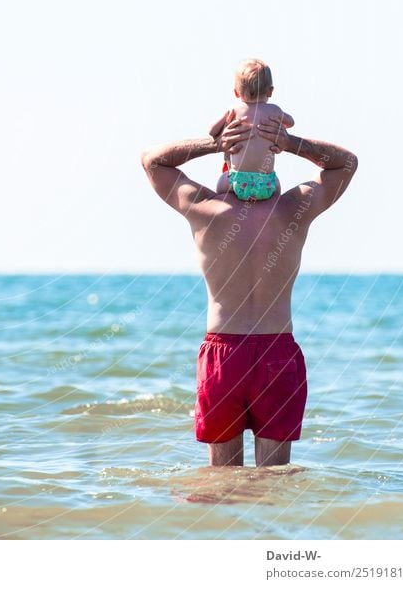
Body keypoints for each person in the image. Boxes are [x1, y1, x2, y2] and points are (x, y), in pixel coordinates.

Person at [140, 112, 357, 467]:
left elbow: (152, 161)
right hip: (277, 352)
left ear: (227, 164)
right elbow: (346, 163)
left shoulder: (205, 208)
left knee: (224, 483)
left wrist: (211, 144)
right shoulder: (293, 209)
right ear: (275, 161)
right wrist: (293, 144)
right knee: (274, 483)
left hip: (224, 355)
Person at [214, 58, 294, 201]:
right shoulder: (274, 110)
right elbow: (290, 123)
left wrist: (225, 122)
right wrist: (277, 123)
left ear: (236, 92)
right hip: (267, 182)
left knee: (221, 184)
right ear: (270, 91)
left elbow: (212, 131)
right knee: (277, 191)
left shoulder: (234, 110)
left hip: (238, 180)